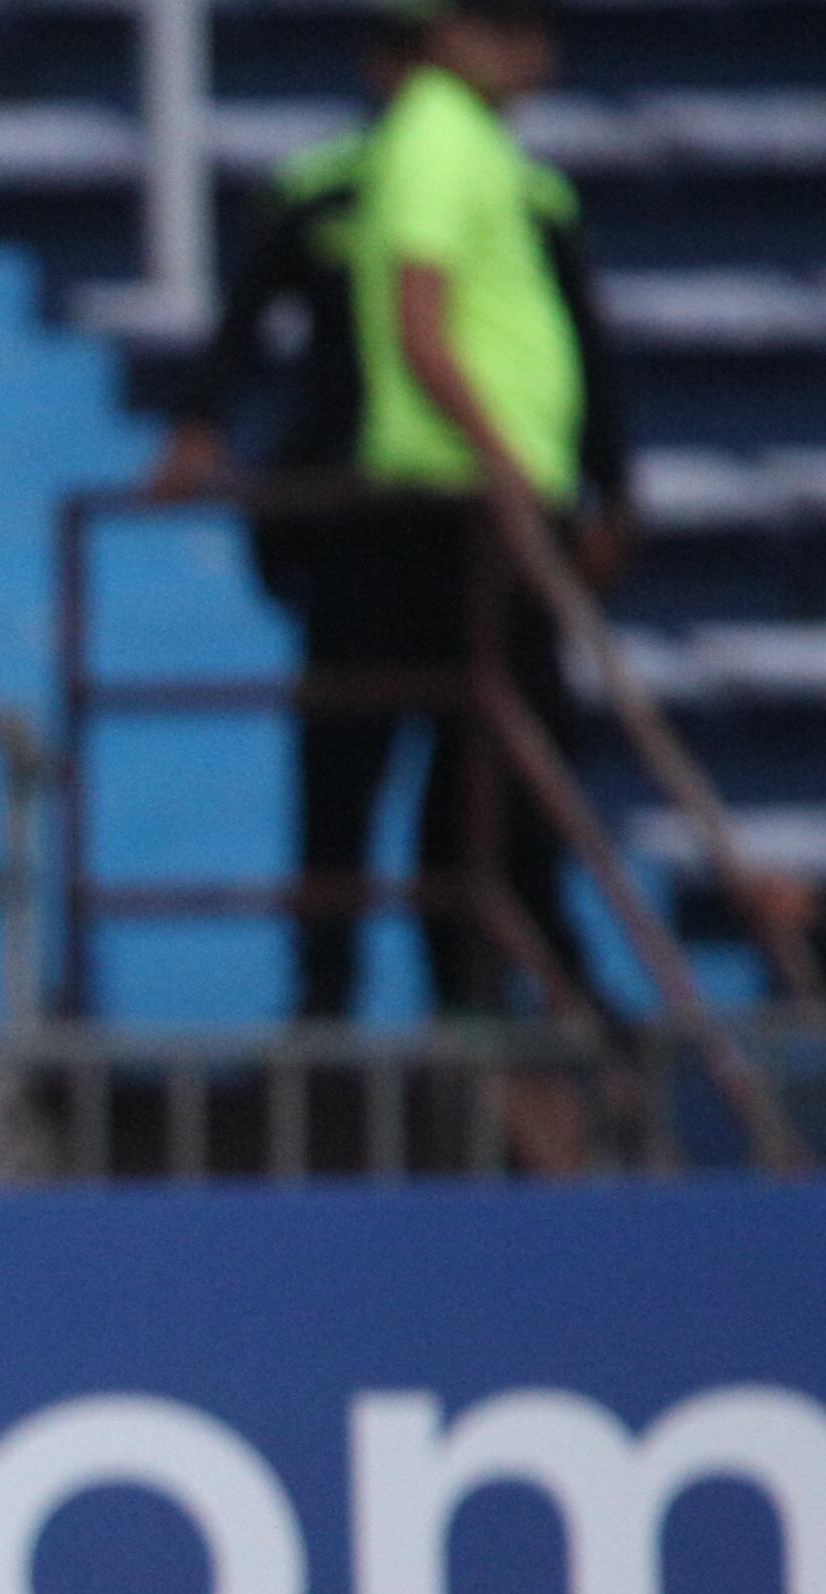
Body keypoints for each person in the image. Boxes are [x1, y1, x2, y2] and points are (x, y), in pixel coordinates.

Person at [148, 0, 630, 1024]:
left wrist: (606, 485)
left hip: (456, 504)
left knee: (492, 774)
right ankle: (340, 1007)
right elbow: (257, 322)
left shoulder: (518, 186)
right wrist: (198, 422)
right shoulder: (349, 180)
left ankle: (510, 995)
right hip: (380, 512)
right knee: (357, 762)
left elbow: (575, 350)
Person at [349, 0, 611, 1165]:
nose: (537, 56)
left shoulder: (469, 144)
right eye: (509, 29)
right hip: (461, 508)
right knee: (498, 775)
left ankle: (538, 1020)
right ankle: (529, 1025)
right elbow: (418, 320)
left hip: (481, 502)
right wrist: (503, 463)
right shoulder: (436, 138)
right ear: (449, 36)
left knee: (499, 774)